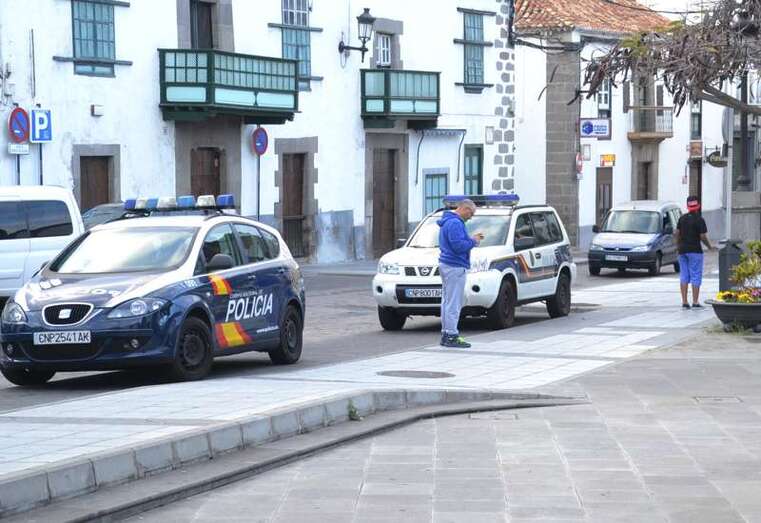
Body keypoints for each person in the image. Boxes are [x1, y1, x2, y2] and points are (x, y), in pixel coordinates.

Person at [437, 199, 484, 348]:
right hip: (455, 266)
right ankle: (452, 335)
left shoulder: (448, 222)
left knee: (447, 301)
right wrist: (473, 241)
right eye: (471, 213)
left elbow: (456, 243)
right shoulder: (455, 223)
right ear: (465, 209)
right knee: (454, 303)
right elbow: (458, 247)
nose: (471, 217)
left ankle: (446, 334)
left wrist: (470, 240)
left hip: (447, 264)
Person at [675, 195, 713, 309]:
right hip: (695, 251)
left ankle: (684, 302)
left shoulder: (682, 218)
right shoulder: (700, 219)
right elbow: (702, 236)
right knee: (696, 275)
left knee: (684, 275)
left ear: (687, 206)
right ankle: (695, 302)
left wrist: (678, 246)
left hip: (682, 251)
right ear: (698, 206)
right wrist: (709, 246)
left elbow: (677, 233)